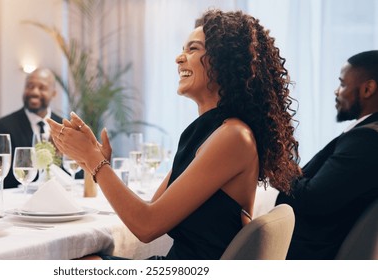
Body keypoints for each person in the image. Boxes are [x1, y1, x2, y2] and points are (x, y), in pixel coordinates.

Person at [48, 9, 301, 260]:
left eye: (193, 49)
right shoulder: (209, 132)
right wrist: (94, 161)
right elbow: (150, 211)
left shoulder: (234, 136)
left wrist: (96, 162)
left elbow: (147, 227)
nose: (179, 58)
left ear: (223, 61)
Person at [276, 50, 378, 260]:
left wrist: (279, 164)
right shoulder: (364, 135)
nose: (336, 91)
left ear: (368, 89)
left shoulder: (365, 142)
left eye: (342, 84)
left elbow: (313, 199)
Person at [0, 68, 63, 191]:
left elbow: (77, 175)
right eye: (30, 86)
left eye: (42, 88)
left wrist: (59, 156)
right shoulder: (3, 126)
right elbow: (3, 178)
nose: (34, 92)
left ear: (54, 93)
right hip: (18, 200)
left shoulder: (63, 126)